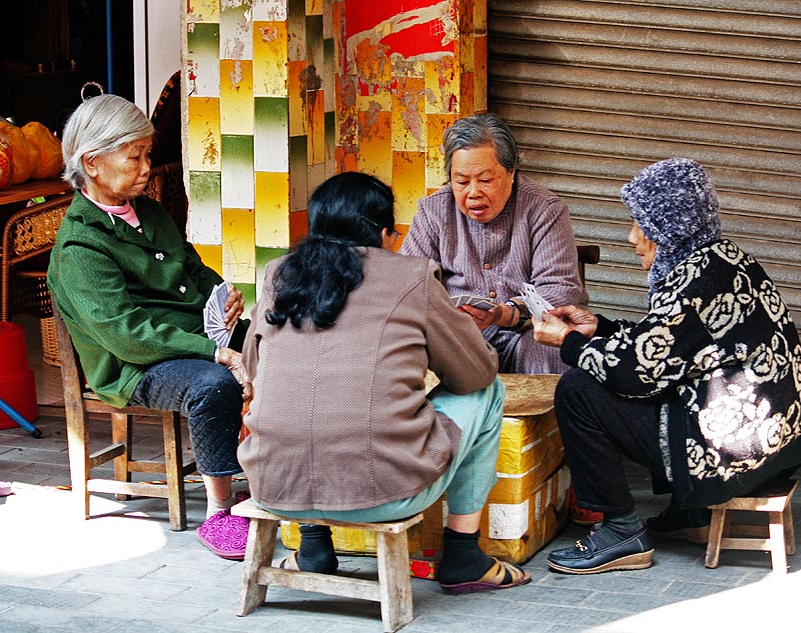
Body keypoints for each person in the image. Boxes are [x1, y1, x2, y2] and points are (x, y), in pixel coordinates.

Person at [238, 171, 531, 594]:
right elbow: (475, 374)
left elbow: (253, 366)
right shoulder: (411, 275)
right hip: (384, 494)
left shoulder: (279, 273)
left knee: (301, 399)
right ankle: (464, 554)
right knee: (491, 391)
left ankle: (313, 546)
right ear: (384, 233)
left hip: (273, 485)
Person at [531, 157, 801, 574]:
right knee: (653, 385)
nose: (632, 238)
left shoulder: (694, 279)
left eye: (640, 224)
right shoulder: (723, 258)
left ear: (670, 227)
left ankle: (621, 531)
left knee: (579, 389)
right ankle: (695, 515)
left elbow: (637, 374)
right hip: (771, 441)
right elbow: (671, 345)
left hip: (736, 449)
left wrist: (570, 342)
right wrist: (599, 328)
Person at [46, 94, 253, 560]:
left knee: (282, 344)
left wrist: (224, 295)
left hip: (188, 337)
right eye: (134, 156)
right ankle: (220, 512)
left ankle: (274, 479)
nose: (146, 167)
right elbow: (126, 334)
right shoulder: (81, 246)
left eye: (146, 154)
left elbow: (194, 272)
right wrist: (214, 351)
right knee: (213, 385)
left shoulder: (151, 212)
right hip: (135, 366)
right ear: (93, 163)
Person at [400, 113, 588, 374]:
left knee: (550, 350)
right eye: (462, 181)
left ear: (511, 173)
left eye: (485, 180)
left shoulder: (544, 209)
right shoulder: (433, 211)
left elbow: (559, 290)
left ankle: (537, 417)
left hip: (527, 332)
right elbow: (408, 285)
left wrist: (504, 314)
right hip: (459, 335)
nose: (473, 192)